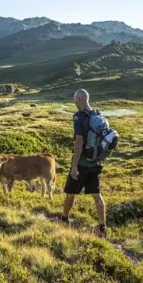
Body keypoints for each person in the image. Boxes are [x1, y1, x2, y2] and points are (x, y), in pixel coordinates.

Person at [61, 89, 107, 238]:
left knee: (70, 194)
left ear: (79, 100)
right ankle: (102, 227)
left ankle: (64, 219)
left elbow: (79, 142)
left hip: (81, 164)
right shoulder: (99, 115)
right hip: (95, 163)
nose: (75, 103)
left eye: (75, 100)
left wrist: (74, 165)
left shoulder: (79, 117)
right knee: (97, 197)